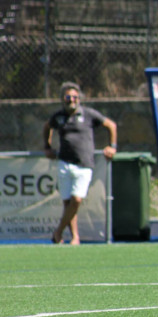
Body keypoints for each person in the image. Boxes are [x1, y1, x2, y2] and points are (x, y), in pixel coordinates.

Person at [42, 82, 118, 245]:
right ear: (63, 99)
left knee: (76, 200)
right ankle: (75, 237)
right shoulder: (59, 117)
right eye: (68, 97)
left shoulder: (88, 114)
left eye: (75, 97)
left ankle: (58, 232)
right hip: (64, 162)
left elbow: (111, 125)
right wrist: (47, 147)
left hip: (84, 164)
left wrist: (113, 147)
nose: (72, 100)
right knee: (68, 203)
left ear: (79, 99)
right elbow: (47, 127)